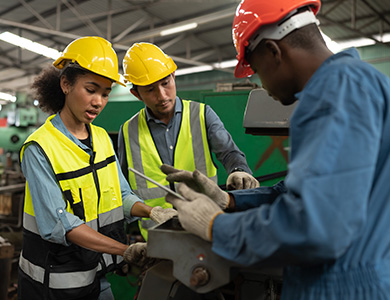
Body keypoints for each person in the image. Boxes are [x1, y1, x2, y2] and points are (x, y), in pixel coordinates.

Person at [162, 0, 390, 298]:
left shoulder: (334, 92)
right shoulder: (362, 81)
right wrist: (229, 201)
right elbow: (301, 193)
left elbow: (316, 227)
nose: (260, 83)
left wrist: (216, 227)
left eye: (256, 70)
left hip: (337, 287)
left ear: (273, 51)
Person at [17, 36, 177, 300]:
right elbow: (60, 225)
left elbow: (122, 197)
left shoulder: (102, 138)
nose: (99, 102)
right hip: (53, 285)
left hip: (98, 276)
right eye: (91, 90)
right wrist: (123, 249)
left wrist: (153, 212)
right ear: (66, 84)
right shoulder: (39, 148)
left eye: (105, 93)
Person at [117, 42, 259, 239]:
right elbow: (123, 190)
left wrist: (239, 171)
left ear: (173, 76)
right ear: (136, 93)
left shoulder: (202, 114)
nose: (162, 95)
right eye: (150, 90)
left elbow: (229, 152)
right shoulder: (128, 131)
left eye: (165, 83)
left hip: (206, 227)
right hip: (157, 237)